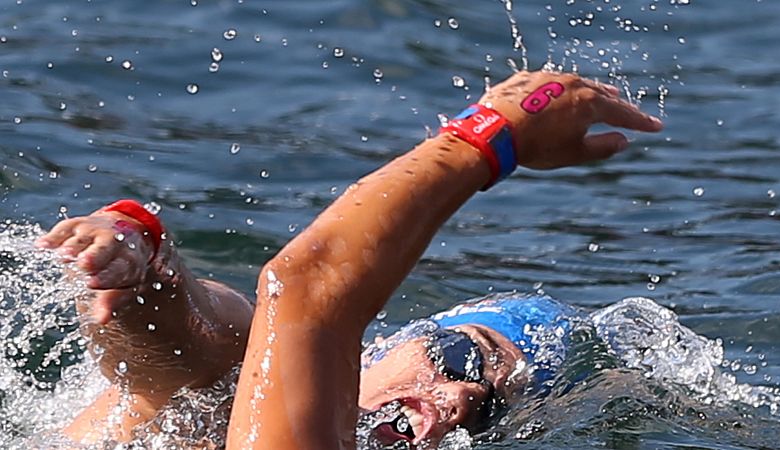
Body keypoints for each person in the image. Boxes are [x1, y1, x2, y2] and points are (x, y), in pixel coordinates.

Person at [36, 70, 663, 448]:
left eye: (492, 421)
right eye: (463, 356)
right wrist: (140, 264)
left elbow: (306, 291)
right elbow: (189, 342)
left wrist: (496, 130)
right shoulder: (239, 386)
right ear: (379, 351)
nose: (463, 397)